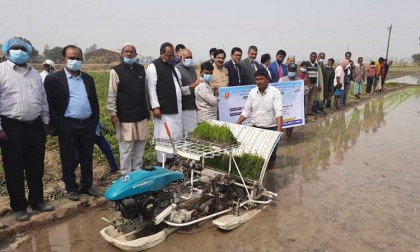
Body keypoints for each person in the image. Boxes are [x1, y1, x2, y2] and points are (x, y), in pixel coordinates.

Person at [0, 38, 54, 222]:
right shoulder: (1, 71)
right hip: (11, 126)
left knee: (36, 165)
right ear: (8, 51)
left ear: (28, 51)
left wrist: (45, 121)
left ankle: (37, 201)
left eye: (22, 48)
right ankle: (19, 207)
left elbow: (43, 98)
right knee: (14, 168)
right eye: (15, 48)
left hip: (35, 125)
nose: (19, 51)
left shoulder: (34, 75)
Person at [44, 45, 100, 201]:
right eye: (71, 58)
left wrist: (95, 120)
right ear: (63, 59)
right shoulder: (54, 79)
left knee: (87, 156)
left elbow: (94, 102)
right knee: (68, 157)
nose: (75, 61)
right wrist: (59, 125)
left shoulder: (88, 79)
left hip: (87, 124)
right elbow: (50, 104)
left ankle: (87, 185)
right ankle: (70, 187)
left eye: (78, 58)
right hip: (68, 124)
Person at [147, 42, 198, 164]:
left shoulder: (172, 68)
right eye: (168, 55)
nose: (171, 58)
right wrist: (155, 107)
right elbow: (151, 89)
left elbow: (178, 88)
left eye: (172, 56)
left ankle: (171, 158)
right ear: (161, 54)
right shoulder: (153, 67)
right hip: (163, 109)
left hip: (176, 108)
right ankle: (162, 160)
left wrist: (190, 88)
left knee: (174, 134)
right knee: (163, 135)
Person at [106, 43, 150, 175]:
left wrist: (148, 109)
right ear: (122, 54)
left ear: (136, 54)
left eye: (132, 52)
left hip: (141, 113)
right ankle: (126, 173)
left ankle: (137, 170)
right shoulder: (116, 71)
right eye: (126, 52)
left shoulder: (141, 69)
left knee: (141, 144)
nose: (129, 54)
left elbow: (146, 92)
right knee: (126, 147)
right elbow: (112, 94)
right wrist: (113, 113)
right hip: (125, 115)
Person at [236, 68, 283, 170]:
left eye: (261, 79)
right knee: (256, 153)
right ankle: (260, 175)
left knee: (271, 155)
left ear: (267, 79)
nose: (258, 82)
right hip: (256, 128)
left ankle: (270, 174)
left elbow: (278, 112)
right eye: (257, 79)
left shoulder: (275, 92)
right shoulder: (252, 92)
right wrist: (237, 123)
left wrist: (279, 131)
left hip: (271, 129)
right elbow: (247, 110)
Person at [175, 48, 199, 134]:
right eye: (187, 57)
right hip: (185, 107)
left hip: (194, 105)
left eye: (190, 57)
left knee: (194, 131)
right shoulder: (177, 69)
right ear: (181, 57)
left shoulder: (192, 68)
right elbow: (177, 90)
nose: (189, 59)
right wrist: (191, 87)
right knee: (188, 132)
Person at [280, 63, 300, 141]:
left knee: (291, 121)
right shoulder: (282, 79)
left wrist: (305, 89)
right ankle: (280, 135)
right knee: (282, 120)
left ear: (296, 71)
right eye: (290, 70)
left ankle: (288, 136)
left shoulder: (299, 81)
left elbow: (302, 91)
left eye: (293, 70)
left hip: (293, 105)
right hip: (283, 104)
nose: (292, 71)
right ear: (288, 70)